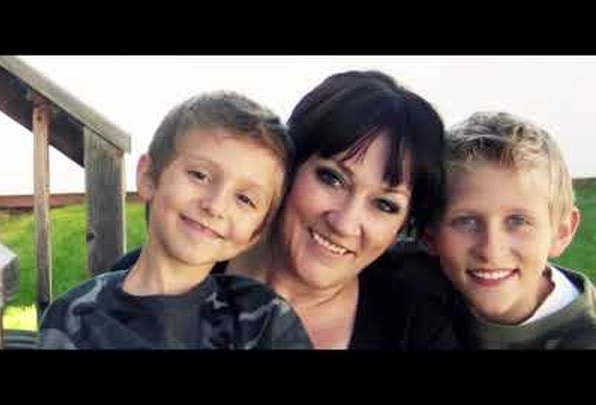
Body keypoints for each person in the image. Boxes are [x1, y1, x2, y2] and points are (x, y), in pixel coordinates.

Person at [114, 71, 459, 349]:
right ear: (288, 168)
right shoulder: (144, 282)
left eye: (385, 205)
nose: (345, 223)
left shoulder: (416, 332)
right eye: (332, 178)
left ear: (403, 225)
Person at [38, 91, 312, 349]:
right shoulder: (74, 316)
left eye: (244, 199)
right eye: (199, 175)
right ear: (148, 178)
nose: (215, 206)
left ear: (256, 233)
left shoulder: (264, 320)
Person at [423, 111, 596, 349]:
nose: (491, 251)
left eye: (518, 221)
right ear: (428, 232)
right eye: (466, 221)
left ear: (562, 231)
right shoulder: (404, 281)